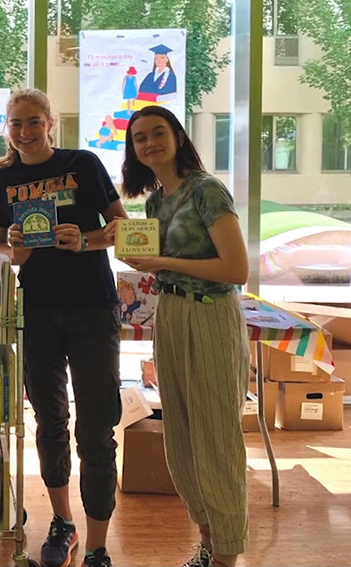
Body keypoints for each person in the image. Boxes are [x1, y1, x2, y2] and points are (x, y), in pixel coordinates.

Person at [0, 88, 129, 567]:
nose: (24, 133)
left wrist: (85, 241)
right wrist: (14, 254)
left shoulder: (83, 164)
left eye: (33, 122)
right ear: (8, 128)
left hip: (93, 308)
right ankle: (63, 523)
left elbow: (122, 227)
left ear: (50, 123)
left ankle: (99, 545)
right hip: (37, 310)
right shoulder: (0, 180)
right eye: (16, 124)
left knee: (98, 426)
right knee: (49, 420)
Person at [105, 105, 249, 567]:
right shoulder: (154, 203)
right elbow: (153, 261)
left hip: (211, 316)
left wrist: (164, 262)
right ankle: (207, 543)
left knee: (216, 439)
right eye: (140, 137)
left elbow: (235, 269)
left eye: (158, 132)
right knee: (182, 439)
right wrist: (133, 253)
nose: (150, 143)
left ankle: (227, 553)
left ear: (178, 136)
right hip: (171, 316)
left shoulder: (207, 190)